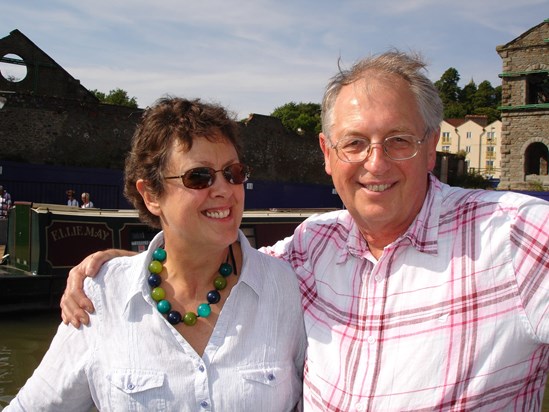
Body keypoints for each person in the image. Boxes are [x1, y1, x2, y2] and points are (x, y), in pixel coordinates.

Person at [61, 51, 549, 411]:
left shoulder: (514, 235)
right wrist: (119, 266)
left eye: (398, 141)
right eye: (354, 143)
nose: (374, 163)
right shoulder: (310, 248)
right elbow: (208, 255)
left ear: (429, 146)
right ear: (327, 152)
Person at [5, 97, 306, 411]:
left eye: (233, 173)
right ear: (151, 195)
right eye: (199, 177)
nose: (224, 190)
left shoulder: (284, 286)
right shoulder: (101, 294)